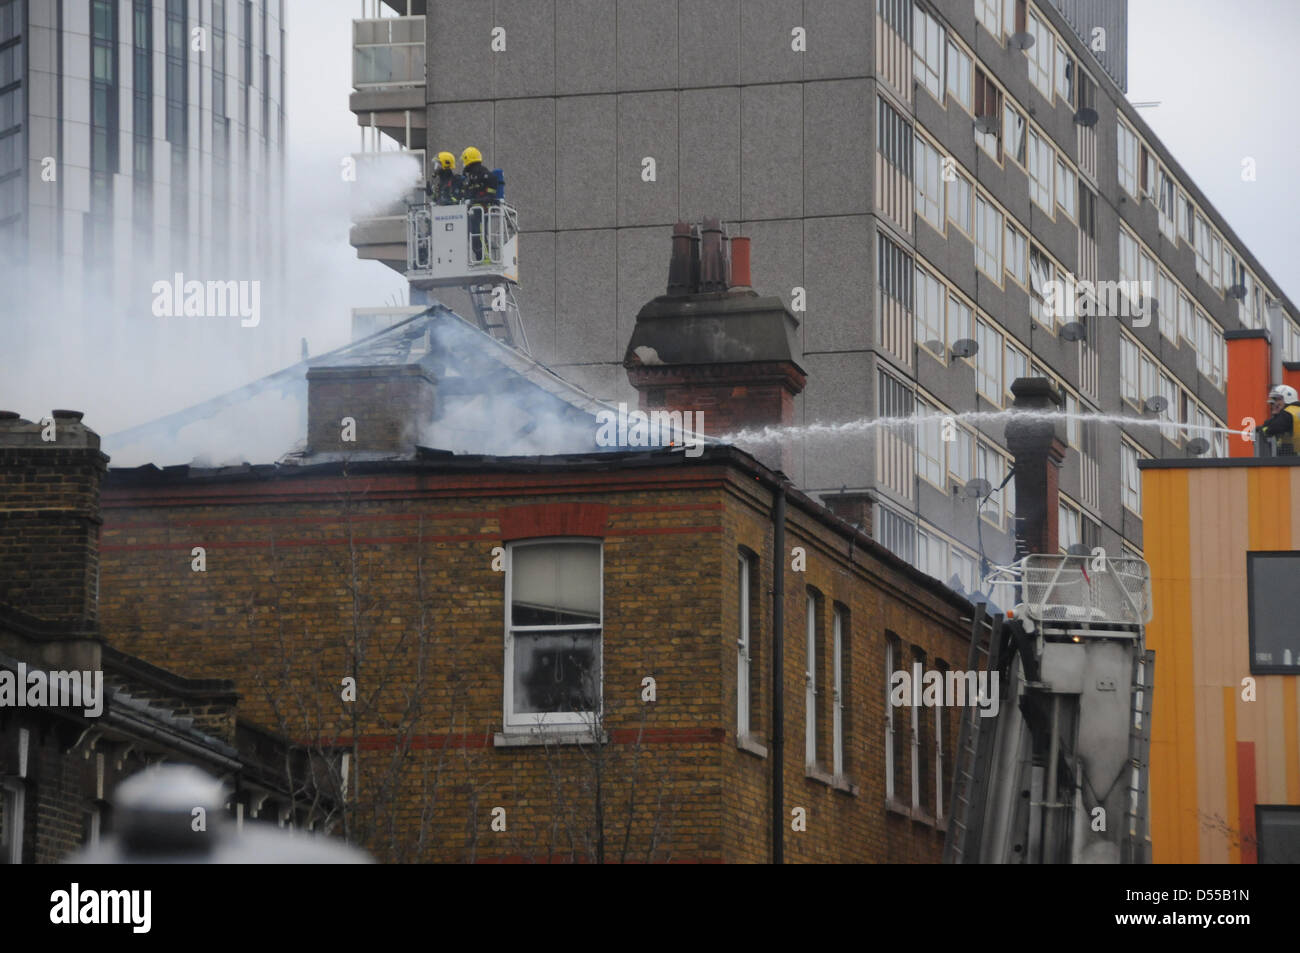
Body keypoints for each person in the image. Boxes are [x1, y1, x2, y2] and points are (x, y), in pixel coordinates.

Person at [460, 146, 499, 263]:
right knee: (474, 235)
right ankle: (479, 258)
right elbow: (466, 193)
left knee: (479, 234)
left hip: (482, 209)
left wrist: (484, 199)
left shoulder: (483, 174)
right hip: (473, 210)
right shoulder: (470, 176)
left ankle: (485, 259)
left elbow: (492, 190)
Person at [1258, 384, 1300, 456]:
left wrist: (1262, 429)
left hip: (1293, 458)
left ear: (1287, 398)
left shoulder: (1288, 413)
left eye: (1277, 399)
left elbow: (1274, 428)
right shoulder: (1295, 411)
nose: (1274, 404)